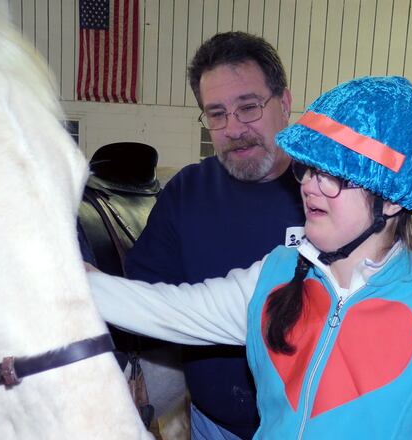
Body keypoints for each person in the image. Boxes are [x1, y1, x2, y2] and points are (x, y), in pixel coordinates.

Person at [89, 76, 412, 438]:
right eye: (309, 169)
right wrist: (70, 276)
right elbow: (168, 310)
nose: (309, 186)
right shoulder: (275, 274)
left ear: (392, 199)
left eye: (334, 175)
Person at [122, 32, 304, 440]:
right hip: (212, 425)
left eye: (249, 107)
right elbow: (145, 295)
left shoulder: (326, 191)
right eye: (216, 113)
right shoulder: (187, 192)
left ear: (285, 103)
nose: (233, 128)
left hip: (309, 426)